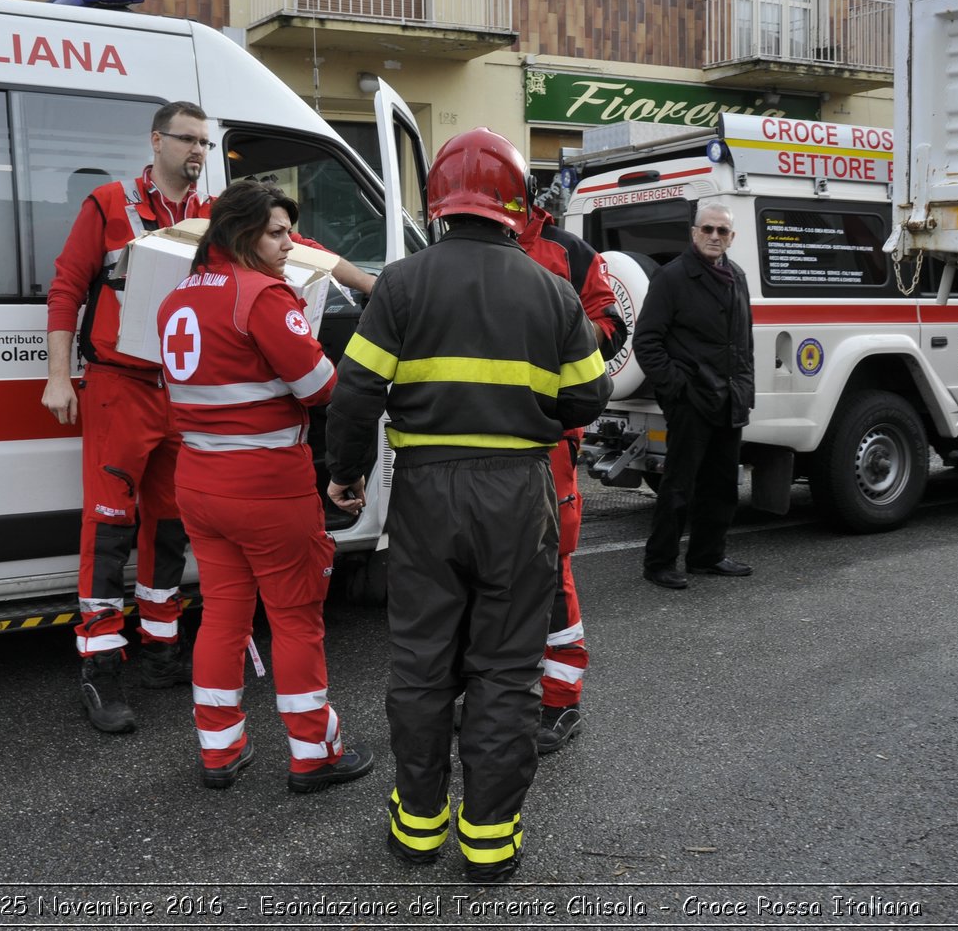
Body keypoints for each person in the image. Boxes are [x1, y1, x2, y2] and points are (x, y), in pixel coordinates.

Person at [324, 128, 612, 883]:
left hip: (426, 491)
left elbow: (355, 392)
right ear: (518, 204)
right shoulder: (550, 288)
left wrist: (346, 474)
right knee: (506, 670)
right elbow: (590, 392)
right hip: (519, 491)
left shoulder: (401, 283)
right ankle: (489, 841)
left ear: (442, 202)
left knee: (422, 664)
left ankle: (417, 829)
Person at [156, 180, 376, 793]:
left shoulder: (176, 298)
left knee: (224, 613)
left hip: (199, 480)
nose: (289, 245)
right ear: (240, 233)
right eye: (277, 233)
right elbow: (323, 389)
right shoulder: (262, 296)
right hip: (267, 486)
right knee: (295, 619)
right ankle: (314, 752)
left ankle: (219, 748)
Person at [43, 101, 215, 732]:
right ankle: (101, 669)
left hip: (182, 388)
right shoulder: (110, 204)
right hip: (118, 385)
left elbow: (282, 252)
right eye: (188, 139)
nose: (198, 151)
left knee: (169, 524)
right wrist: (59, 376)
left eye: (205, 142)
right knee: (109, 527)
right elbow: (66, 288)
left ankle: (161, 652)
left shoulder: (212, 215)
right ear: (157, 142)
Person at [516, 203, 628, 755]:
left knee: (550, 562)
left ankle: (561, 700)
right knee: (488, 572)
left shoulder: (565, 252)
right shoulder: (456, 247)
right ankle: (502, 691)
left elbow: (611, 326)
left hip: (548, 435)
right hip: (479, 437)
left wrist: (557, 339)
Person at [633, 202, 755, 590]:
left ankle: (707, 556)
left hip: (729, 398)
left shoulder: (736, 275)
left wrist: (745, 388)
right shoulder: (671, 278)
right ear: (694, 233)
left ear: (732, 238)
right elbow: (647, 342)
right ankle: (659, 563)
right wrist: (676, 389)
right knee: (679, 486)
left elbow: (743, 342)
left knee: (722, 486)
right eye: (708, 229)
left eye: (722, 231)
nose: (715, 237)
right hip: (691, 400)